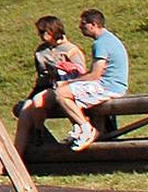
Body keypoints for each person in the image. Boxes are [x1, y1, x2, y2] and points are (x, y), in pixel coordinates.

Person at [54, 10, 130, 149]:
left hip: (108, 87)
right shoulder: (108, 39)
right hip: (112, 85)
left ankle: (85, 128)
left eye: (83, 24)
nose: (80, 27)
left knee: (61, 93)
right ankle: (80, 128)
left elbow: (95, 75)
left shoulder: (101, 43)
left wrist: (69, 82)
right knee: (66, 91)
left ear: (93, 25)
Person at [15, 15, 88, 152]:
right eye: (40, 33)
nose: (42, 36)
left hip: (63, 87)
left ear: (54, 30)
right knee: (25, 111)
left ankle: (39, 133)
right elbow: (40, 75)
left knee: (37, 102)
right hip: (44, 86)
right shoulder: (40, 51)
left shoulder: (70, 49)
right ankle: (17, 157)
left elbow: (80, 73)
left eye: (45, 32)